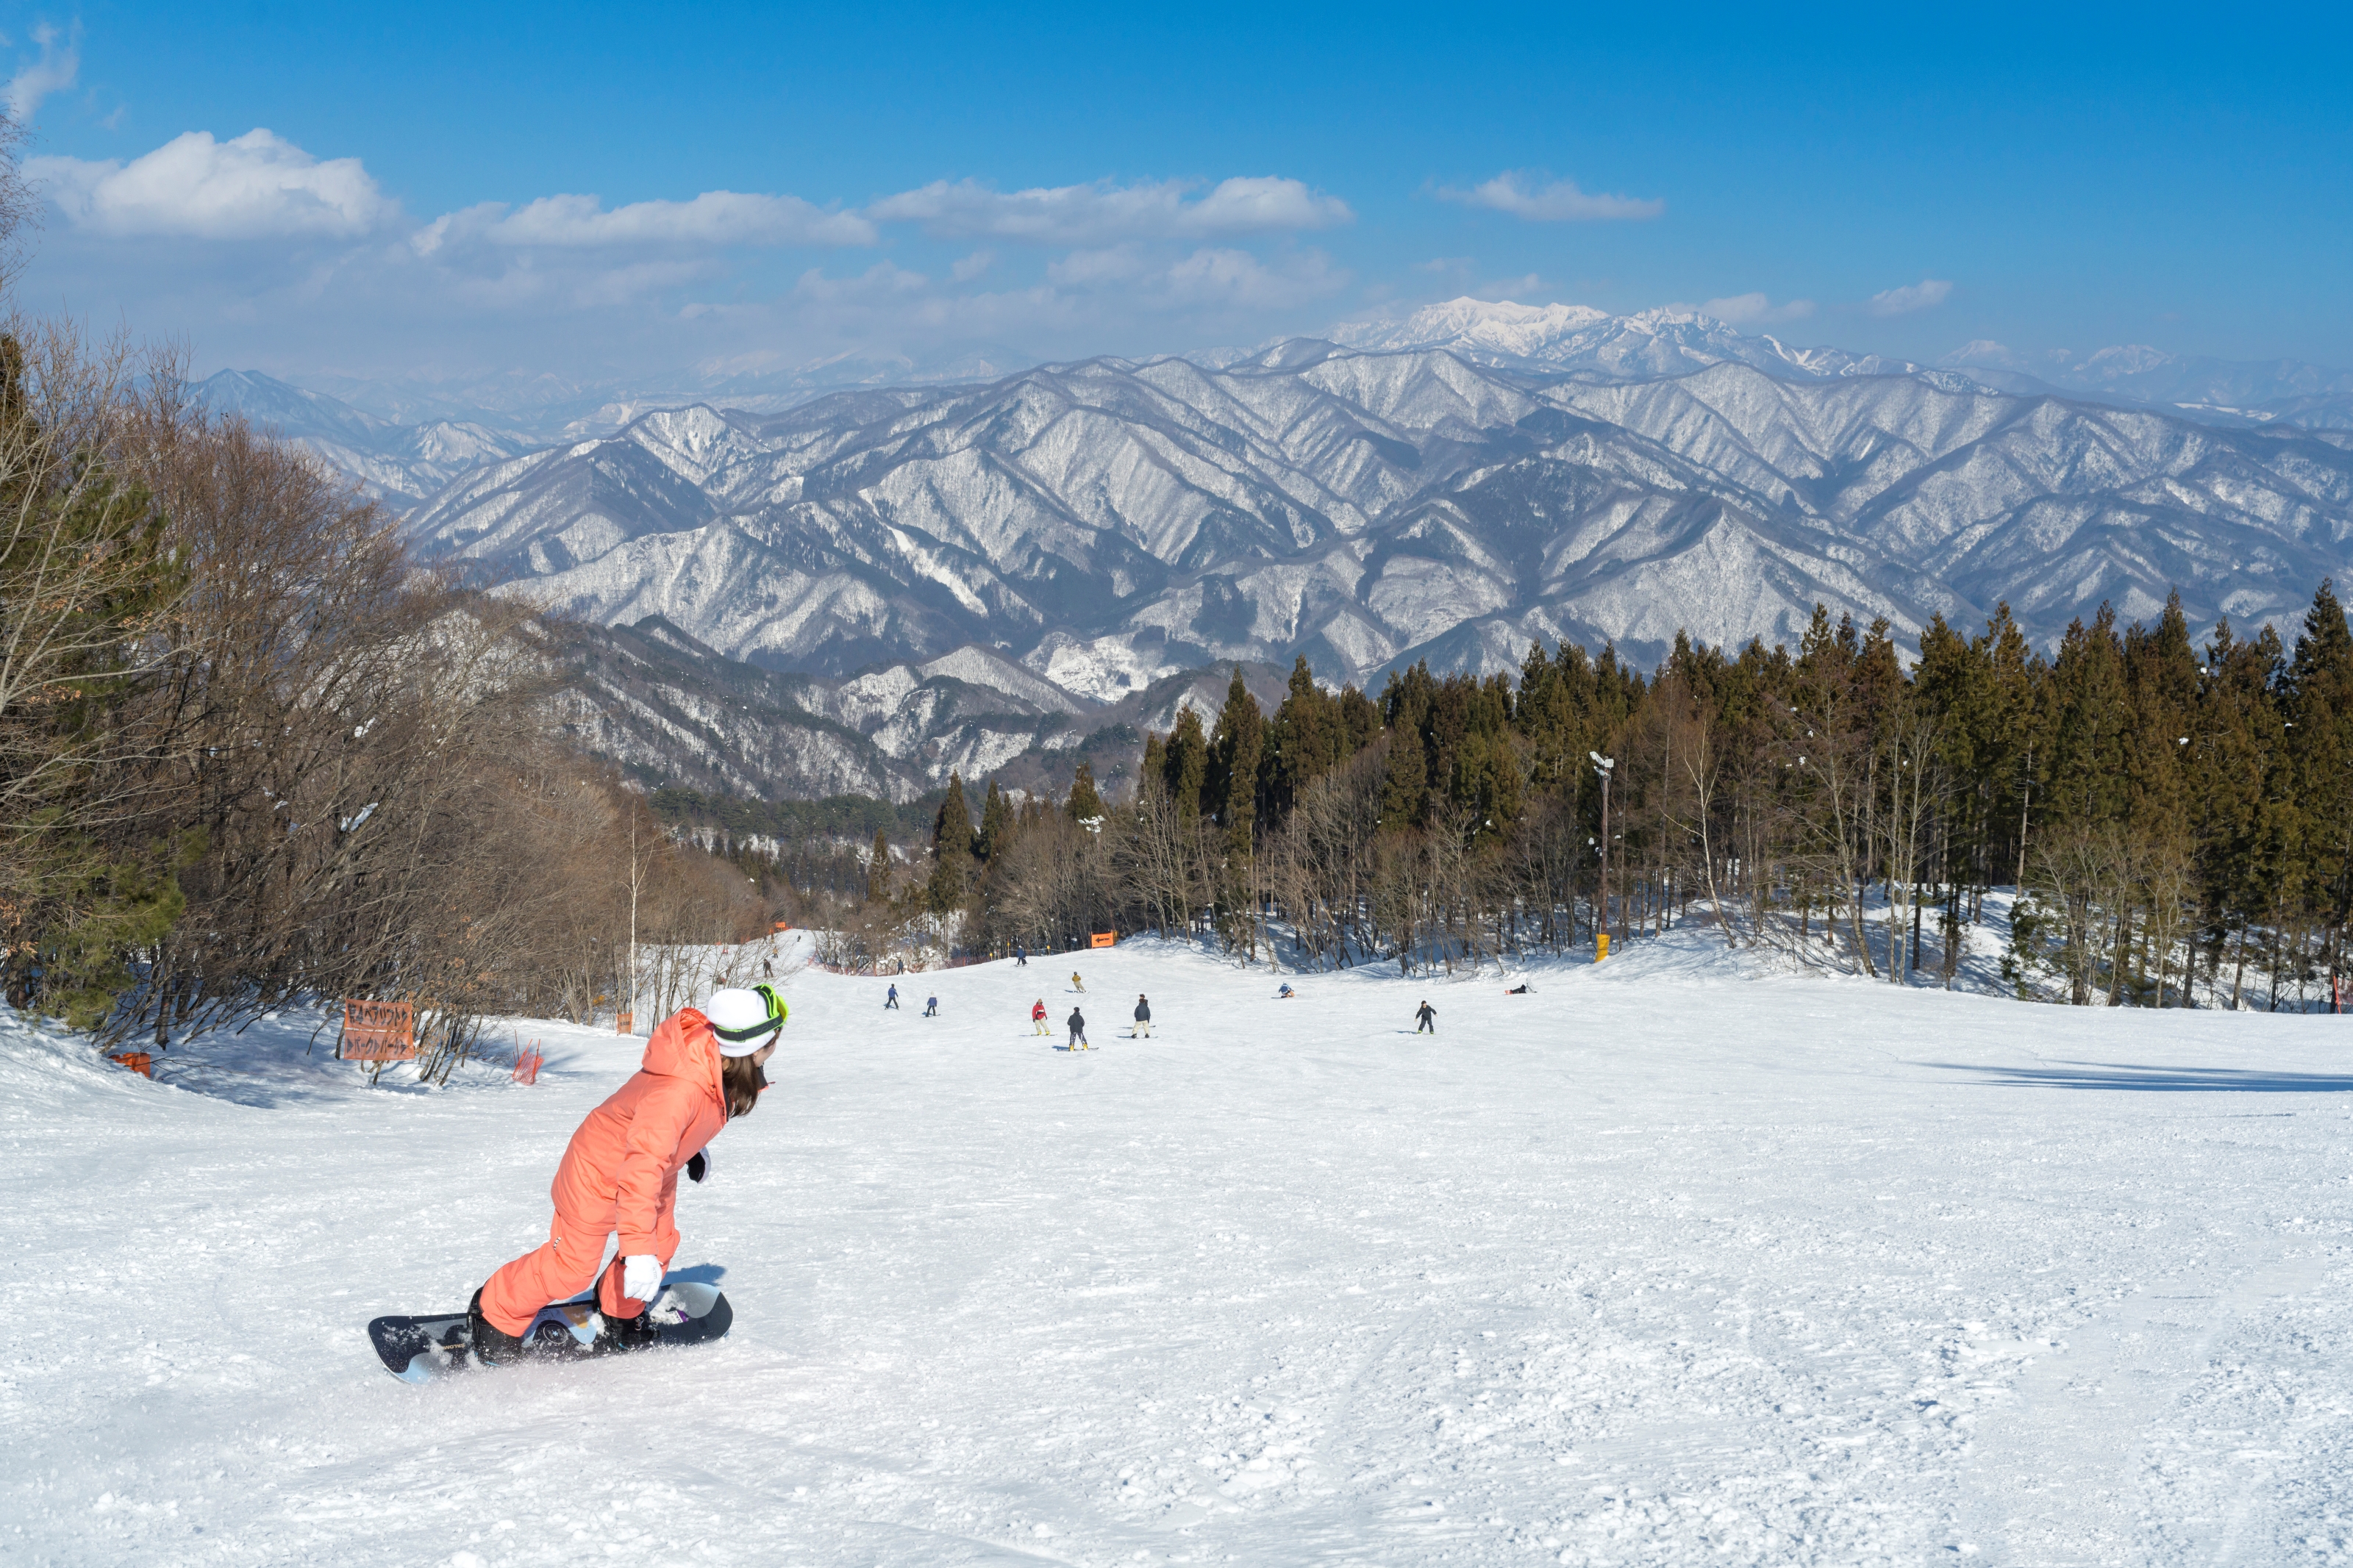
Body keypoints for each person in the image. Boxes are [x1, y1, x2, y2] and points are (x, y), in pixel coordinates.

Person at [468, 984, 785, 1363]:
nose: (777, 1045)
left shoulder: (715, 1059)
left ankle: (619, 1308)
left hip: (650, 1167)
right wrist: (636, 1252)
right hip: (599, 1174)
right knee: (571, 1269)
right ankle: (495, 1309)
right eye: (775, 1039)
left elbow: (667, 1127)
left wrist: (693, 1149)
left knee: (661, 1244)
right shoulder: (680, 1088)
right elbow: (644, 1160)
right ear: (754, 1046)